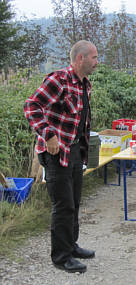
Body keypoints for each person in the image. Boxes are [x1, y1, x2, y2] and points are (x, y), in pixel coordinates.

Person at [24, 40, 98, 273]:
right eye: (94, 58)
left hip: (75, 151)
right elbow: (32, 106)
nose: (97, 62)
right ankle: (61, 257)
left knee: (74, 202)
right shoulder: (59, 80)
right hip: (56, 153)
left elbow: (81, 120)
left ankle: (71, 246)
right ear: (80, 59)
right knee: (63, 205)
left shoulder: (85, 84)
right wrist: (48, 135)